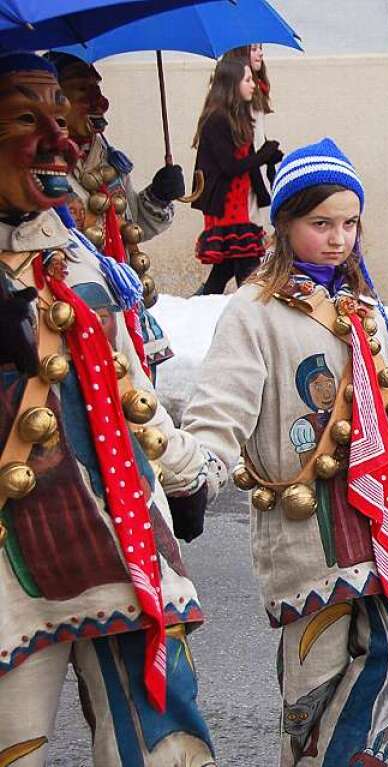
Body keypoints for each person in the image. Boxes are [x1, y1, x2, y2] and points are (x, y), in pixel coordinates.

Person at [180, 138, 388, 766]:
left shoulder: (363, 312)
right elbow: (222, 406)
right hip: (303, 533)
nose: (338, 238)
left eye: (349, 223)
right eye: (320, 223)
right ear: (284, 224)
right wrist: (195, 474)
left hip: (381, 521)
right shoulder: (253, 313)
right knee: (311, 687)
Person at [0, 52, 217, 767]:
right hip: (9, 568)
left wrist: (185, 477)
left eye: (62, 119)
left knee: (161, 738)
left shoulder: (85, 265)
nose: (61, 141)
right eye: (29, 120)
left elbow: (134, 398)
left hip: (115, 539)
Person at [46, 50, 184, 378]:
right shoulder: (35, 167)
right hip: (67, 314)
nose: (99, 103)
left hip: (122, 310)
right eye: (84, 91)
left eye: (98, 90)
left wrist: (160, 195)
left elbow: (132, 225)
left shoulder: (109, 159)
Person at [191, 57, 282, 294]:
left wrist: (269, 156)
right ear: (232, 83)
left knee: (224, 271)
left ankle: (197, 308)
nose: (253, 84)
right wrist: (263, 154)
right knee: (249, 271)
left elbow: (247, 161)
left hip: (241, 204)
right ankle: (252, 317)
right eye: (248, 79)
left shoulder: (238, 118)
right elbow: (230, 166)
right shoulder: (216, 119)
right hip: (227, 208)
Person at [223, 43, 275, 227]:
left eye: (260, 48)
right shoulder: (237, 96)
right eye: (254, 49)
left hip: (256, 171)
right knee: (250, 227)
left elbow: (257, 134)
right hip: (243, 178)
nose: (260, 53)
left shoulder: (256, 90)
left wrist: (269, 153)